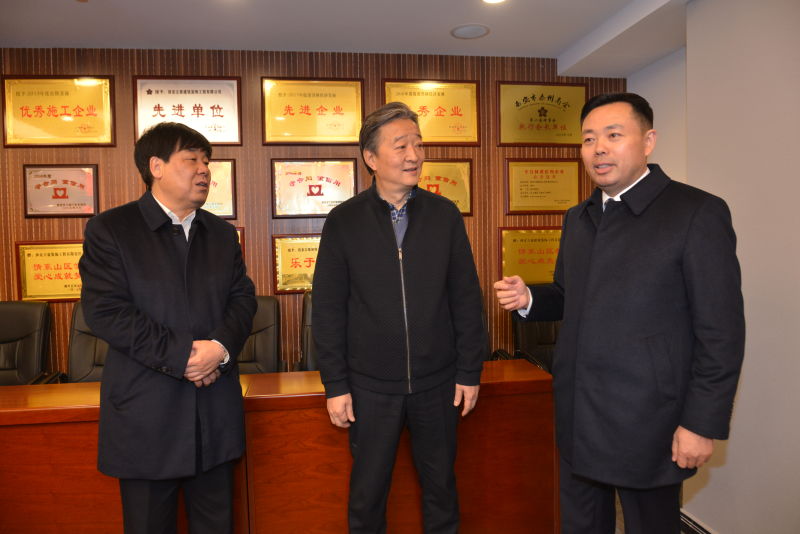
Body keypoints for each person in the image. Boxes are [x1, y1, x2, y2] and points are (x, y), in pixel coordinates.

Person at [494, 93, 745, 534]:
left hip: (650, 419)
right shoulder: (579, 218)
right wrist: (529, 297)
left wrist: (700, 423)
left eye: (613, 135)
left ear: (648, 141)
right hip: (579, 413)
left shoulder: (695, 212)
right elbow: (570, 294)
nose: (599, 149)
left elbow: (721, 332)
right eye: (589, 139)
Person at [312, 101, 487, 533]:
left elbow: (466, 298)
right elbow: (328, 309)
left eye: (418, 144)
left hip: (438, 384)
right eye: (401, 145)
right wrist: (336, 384)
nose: (414, 155)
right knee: (368, 495)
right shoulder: (344, 221)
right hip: (370, 388)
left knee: (441, 491)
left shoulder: (444, 215)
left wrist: (470, 371)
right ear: (371, 158)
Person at [79, 122, 256, 534]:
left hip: (214, 412)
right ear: (155, 166)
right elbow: (107, 311)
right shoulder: (112, 229)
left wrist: (219, 349)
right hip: (147, 414)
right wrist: (185, 357)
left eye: (207, 161)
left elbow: (243, 300)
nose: (204, 169)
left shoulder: (221, 233)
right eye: (191, 159)